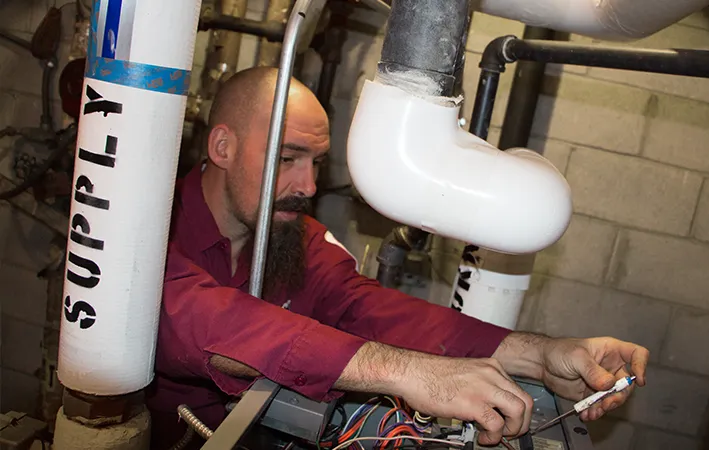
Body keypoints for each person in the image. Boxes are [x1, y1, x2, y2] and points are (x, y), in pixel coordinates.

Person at [146, 66, 649, 449]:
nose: (309, 186)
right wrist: (410, 374)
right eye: (287, 158)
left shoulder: (295, 240)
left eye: (316, 163)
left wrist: (539, 356)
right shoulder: (146, 235)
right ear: (222, 146)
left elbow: (378, 311)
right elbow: (213, 324)